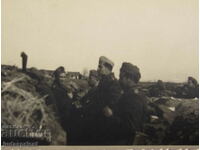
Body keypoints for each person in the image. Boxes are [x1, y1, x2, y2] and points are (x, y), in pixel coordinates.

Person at [80, 56, 122, 145]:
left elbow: (111, 106)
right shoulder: (104, 82)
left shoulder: (113, 84)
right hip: (95, 123)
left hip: (104, 126)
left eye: (100, 66)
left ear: (108, 68)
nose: (98, 69)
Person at [106, 62, 150, 145]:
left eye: (121, 77)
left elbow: (130, 127)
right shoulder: (135, 94)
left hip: (125, 142)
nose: (119, 80)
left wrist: (110, 116)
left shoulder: (133, 98)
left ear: (129, 78)